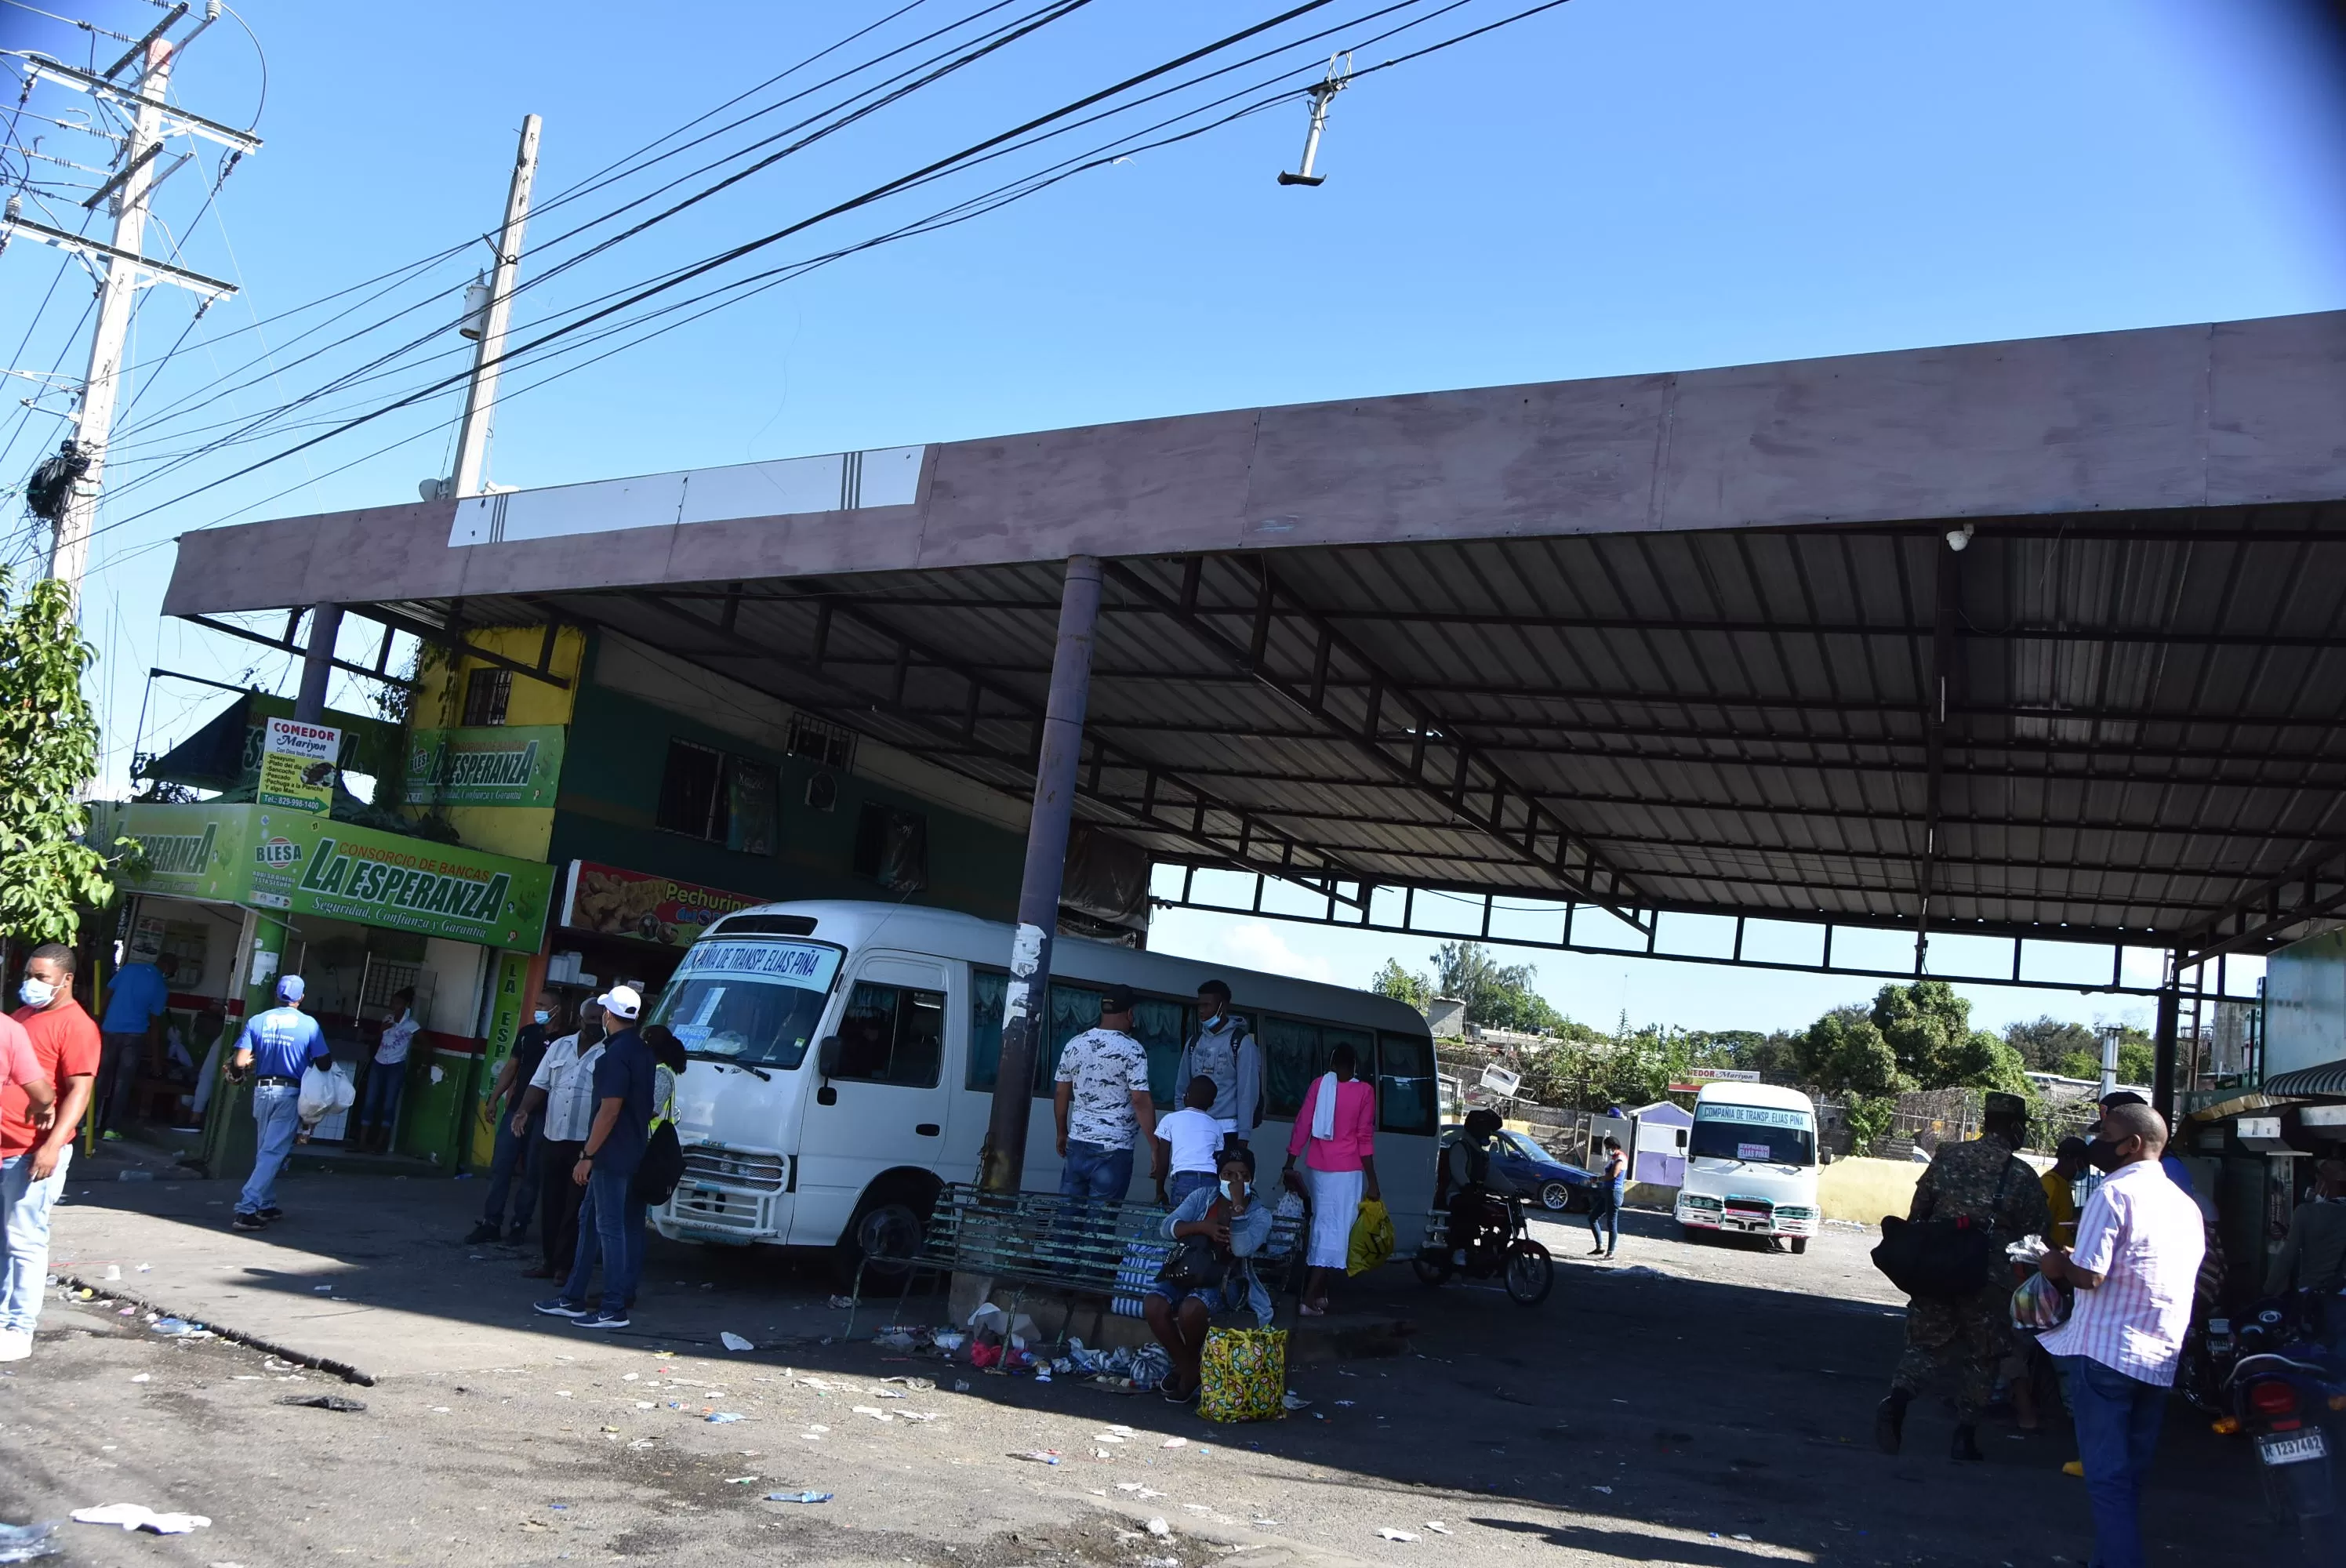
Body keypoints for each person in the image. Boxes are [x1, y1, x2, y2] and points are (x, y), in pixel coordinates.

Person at [2038, 1104, 2205, 1568]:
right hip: (2159, 1358)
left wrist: (2056, 1264)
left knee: (2106, 1481)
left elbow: (2089, 1277)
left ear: (2131, 1145)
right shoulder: (2184, 1204)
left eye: (2105, 1135)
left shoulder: (2113, 1193)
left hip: (2107, 1353)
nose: (2097, 1146)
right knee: (2128, 1478)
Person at [1876, 1090, 2053, 1461]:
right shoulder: (2019, 1173)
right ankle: (1964, 1436)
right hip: (1987, 1277)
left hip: (1937, 1267)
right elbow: (2037, 1230)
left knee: (1924, 1346)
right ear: (2016, 1128)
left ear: (1987, 1123)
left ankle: (1897, 1401)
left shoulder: (1947, 1157)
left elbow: (1918, 1210)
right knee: (1983, 1355)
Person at [534, 987, 653, 1329]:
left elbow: (609, 1111)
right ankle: (573, 1297)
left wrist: (587, 1154)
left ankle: (613, 1306)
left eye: (603, 1012)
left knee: (609, 1228)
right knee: (590, 1221)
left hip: (610, 1153)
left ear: (609, 1016)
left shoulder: (613, 1056)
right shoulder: (641, 1051)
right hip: (630, 1150)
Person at [1143, 1146, 1275, 1404]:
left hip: (1229, 1281)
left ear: (1253, 1179)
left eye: (1243, 1176)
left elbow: (1242, 1248)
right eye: (1228, 1174)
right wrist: (1202, 1227)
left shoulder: (1260, 1215)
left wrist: (1237, 1209)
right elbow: (1167, 1228)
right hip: (1189, 1271)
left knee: (1191, 1309)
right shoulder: (1203, 1196)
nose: (1234, 1181)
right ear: (1218, 1176)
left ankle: (1186, 1371)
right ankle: (1191, 1369)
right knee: (1154, 1304)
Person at [2, 949, 79, 1363]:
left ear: (64, 980)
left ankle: (19, 1327)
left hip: (32, 1151)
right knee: (4, 1239)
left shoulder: (76, 1026)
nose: (31, 982)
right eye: (29, 974)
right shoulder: (20, 1018)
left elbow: (79, 1091)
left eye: (41, 976)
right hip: (5, 1146)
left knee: (24, 1239)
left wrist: (52, 1146)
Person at [1282, 1040, 1378, 1317]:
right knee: (1336, 1233)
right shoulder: (1364, 1092)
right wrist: (1373, 1180)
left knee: (1322, 1225)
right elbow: (1364, 1138)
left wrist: (1290, 1160)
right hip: (1348, 1171)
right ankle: (1309, 1297)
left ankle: (1320, 1293)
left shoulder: (1319, 1086)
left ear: (1332, 1065)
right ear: (1355, 1065)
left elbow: (1303, 1124)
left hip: (1319, 1169)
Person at [229, 975, 330, 1231]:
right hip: (289, 1094)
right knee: (273, 1152)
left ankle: (266, 1204)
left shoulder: (258, 1020)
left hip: (262, 1092)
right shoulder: (309, 1025)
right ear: (301, 997)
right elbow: (324, 1062)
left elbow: (239, 1063)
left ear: (277, 994)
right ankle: (246, 1209)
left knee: (266, 1150)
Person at [516, 999, 605, 1280]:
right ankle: (549, 1261)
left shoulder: (608, 1052)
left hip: (584, 1143)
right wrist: (523, 1111)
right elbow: (539, 1083)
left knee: (575, 1207)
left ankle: (566, 1267)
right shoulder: (559, 1046)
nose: (594, 1023)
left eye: (599, 1018)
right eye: (590, 1018)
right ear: (580, 1019)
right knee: (551, 1202)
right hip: (553, 1136)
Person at [468, 992, 560, 1246]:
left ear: (556, 1009)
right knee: (501, 1166)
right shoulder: (527, 1033)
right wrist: (493, 1098)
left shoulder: (566, 1040)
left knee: (532, 1172)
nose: (537, 1008)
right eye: (537, 1003)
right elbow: (512, 1067)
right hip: (516, 1109)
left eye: (543, 1005)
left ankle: (520, 1224)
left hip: (545, 1115)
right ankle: (491, 1222)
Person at [1053, 985, 1154, 1200]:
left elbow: (1061, 1092)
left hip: (1077, 1143)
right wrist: (1156, 1147)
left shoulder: (1074, 1044)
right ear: (1129, 1013)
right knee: (1099, 1227)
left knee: (1066, 1221)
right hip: (1114, 1149)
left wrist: (1062, 1132)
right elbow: (1140, 1100)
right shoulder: (1133, 1049)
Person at [95, 938, 169, 1138]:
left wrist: (96, 1021)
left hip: (110, 1030)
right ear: (168, 968)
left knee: (101, 1077)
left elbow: (106, 995)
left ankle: (88, 1124)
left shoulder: (128, 970)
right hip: (134, 1037)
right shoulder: (160, 986)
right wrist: (156, 1060)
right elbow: (154, 1024)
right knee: (122, 1082)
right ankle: (111, 1129)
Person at [1177, 980, 1262, 1155]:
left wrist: (1243, 1136)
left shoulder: (1241, 1043)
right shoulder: (1194, 1042)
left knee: (1225, 1182)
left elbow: (1247, 1093)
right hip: (1196, 1128)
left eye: (1207, 1005)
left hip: (1228, 1131)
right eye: (1199, 1005)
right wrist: (1182, 1121)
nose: (1201, 1010)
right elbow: (1181, 1087)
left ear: (1222, 1006)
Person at [1440, 1108, 1520, 1267]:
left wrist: (1514, 1190)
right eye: (1486, 1129)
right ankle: (1460, 1251)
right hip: (1456, 1195)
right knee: (1469, 1210)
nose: (1489, 1133)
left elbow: (1493, 1176)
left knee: (1503, 1213)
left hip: (1475, 1195)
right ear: (1477, 1129)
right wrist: (1467, 1187)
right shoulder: (1460, 1147)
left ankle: (1493, 1249)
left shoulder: (1482, 1155)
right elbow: (1458, 1171)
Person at [2267, 1157, 2346, 1301]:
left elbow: (2286, 1257)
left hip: (2311, 1296)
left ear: (2325, 1184)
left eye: (2317, 1181)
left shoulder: (2306, 1212)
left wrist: (2267, 1292)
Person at [354, 987, 419, 1153]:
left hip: (396, 1066)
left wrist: (424, 1066)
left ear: (406, 1005)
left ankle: (380, 1143)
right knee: (370, 1101)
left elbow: (426, 1045)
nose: (393, 1005)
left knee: (389, 1104)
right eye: (393, 1002)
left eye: (397, 1002)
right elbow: (378, 1038)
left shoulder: (412, 1024)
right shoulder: (388, 1018)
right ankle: (362, 1141)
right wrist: (380, 1031)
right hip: (379, 1062)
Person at [1153, 1075, 1225, 1207]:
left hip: (1184, 1180)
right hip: (1211, 1181)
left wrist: (1160, 1191)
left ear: (1186, 1096)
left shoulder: (1170, 1119)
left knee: (1181, 1225)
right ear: (1212, 1104)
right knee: (1204, 1225)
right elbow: (1219, 1161)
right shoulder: (1216, 1126)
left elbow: (1162, 1160)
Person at [2042, 1136, 2092, 1248]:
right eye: (2081, 1163)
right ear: (2066, 1158)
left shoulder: (2063, 1184)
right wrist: (2056, 1254)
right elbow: (2039, 1228)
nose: (2084, 1169)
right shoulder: (2051, 1183)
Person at [1589, 1134, 1627, 1258]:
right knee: (1592, 1218)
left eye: (1608, 1147)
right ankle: (1600, 1247)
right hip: (1608, 1191)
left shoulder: (1620, 1158)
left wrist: (1599, 1179)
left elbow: (1613, 1175)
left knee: (1611, 1223)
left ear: (1615, 1146)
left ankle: (1610, 1253)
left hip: (1614, 1192)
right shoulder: (1614, 1158)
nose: (1607, 1150)